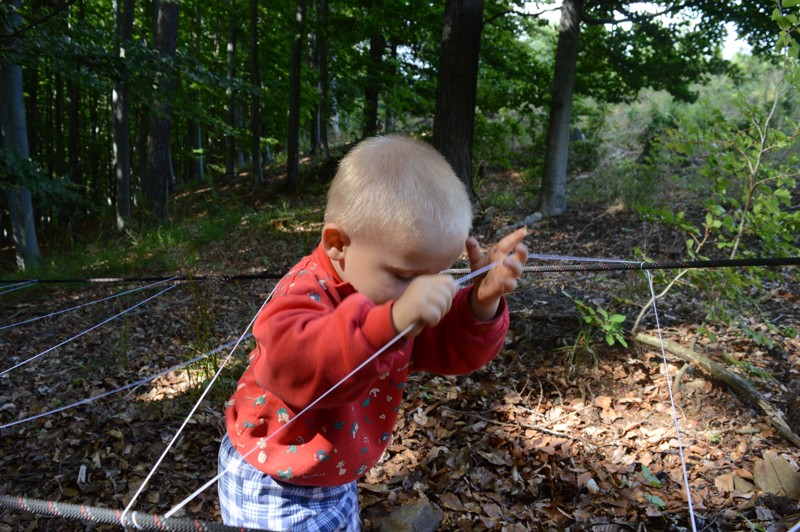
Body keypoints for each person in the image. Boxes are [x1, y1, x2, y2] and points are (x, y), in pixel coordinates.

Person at [218, 135, 528, 530]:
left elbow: (448, 347)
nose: (422, 289)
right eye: (404, 275)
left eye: (439, 274)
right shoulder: (304, 291)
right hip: (276, 477)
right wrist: (393, 319)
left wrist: (480, 301)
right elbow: (303, 365)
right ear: (337, 244)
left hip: (336, 471)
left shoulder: (391, 298)